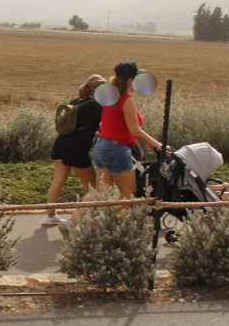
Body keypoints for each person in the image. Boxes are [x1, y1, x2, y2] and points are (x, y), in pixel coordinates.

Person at [93, 60, 165, 199]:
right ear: (131, 81)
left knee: (99, 194)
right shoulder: (127, 100)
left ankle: (76, 214)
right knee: (128, 193)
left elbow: (119, 125)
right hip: (116, 149)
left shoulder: (112, 97)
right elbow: (135, 131)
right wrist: (158, 145)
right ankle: (122, 215)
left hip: (102, 146)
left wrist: (146, 141)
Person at [43, 74, 107, 226]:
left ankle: (49, 216)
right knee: (92, 186)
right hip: (76, 149)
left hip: (61, 143)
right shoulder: (96, 106)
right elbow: (107, 124)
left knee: (58, 181)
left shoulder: (76, 100)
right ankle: (88, 215)